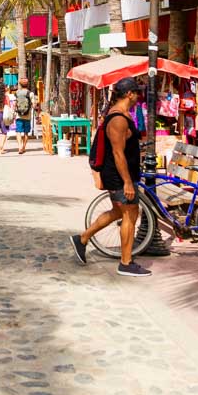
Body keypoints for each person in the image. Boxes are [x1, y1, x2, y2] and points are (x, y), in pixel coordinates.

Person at [70, 78, 152, 277]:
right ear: (129, 94)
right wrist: (127, 182)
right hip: (119, 176)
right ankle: (126, 263)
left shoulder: (122, 115)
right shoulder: (118, 119)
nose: (138, 96)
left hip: (121, 174)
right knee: (130, 214)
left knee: (117, 212)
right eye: (136, 92)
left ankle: (82, 239)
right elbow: (117, 153)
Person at [14, 78, 34, 155]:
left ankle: (19, 147)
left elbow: (15, 104)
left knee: (18, 131)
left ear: (20, 85)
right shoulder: (30, 93)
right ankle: (24, 147)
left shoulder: (17, 92)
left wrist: (14, 112)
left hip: (19, 115)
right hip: (27, 116)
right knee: (26, 132)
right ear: (27, 85)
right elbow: (34, 104)